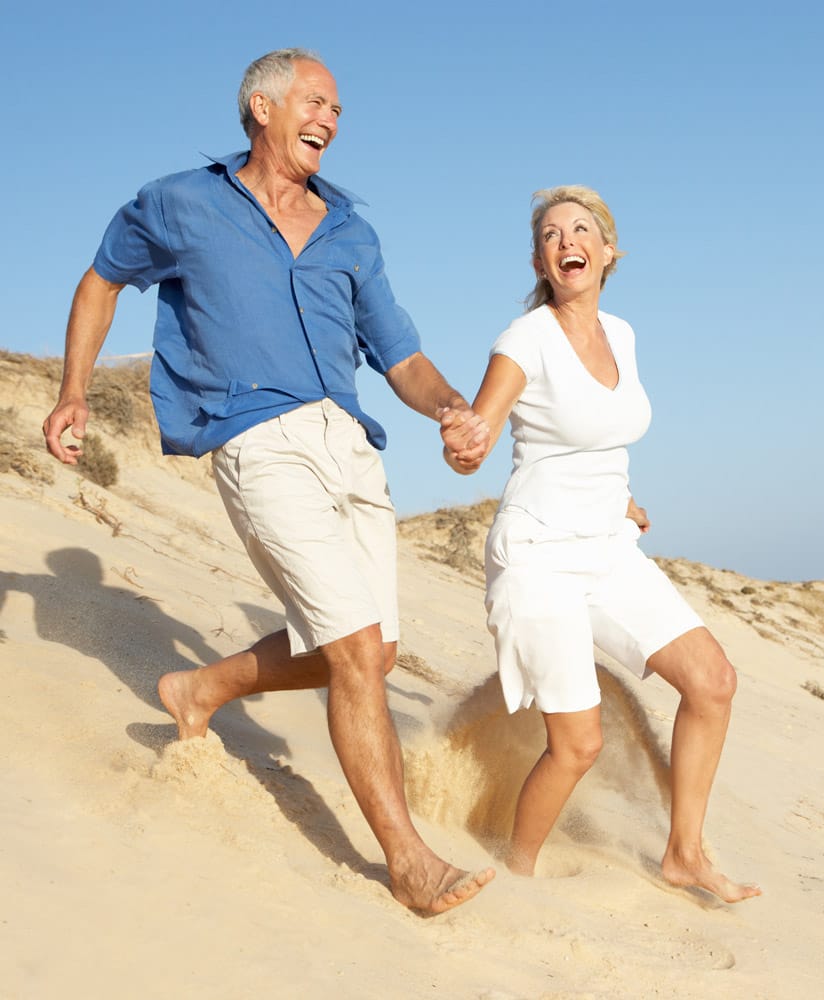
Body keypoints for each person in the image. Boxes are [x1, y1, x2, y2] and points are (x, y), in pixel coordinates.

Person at [43, 48, 493, 915]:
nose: (331, 119)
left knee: (371, 652)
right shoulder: (182, 202)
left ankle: (199, 688)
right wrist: (73, 391)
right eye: (316, 101)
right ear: (262, 105)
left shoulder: (351, 232)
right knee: (355, 651)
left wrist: (451, 408)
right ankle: (408, 861)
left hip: (349, 446)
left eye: (338, 110)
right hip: (257, 438)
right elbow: (101, 281)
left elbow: (401, 356)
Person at [444, 185, 760, 903]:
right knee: (578, 745)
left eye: (581, 230)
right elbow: (481, 433)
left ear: (608, 251)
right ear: (540, 262)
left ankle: (684, 854)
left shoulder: (622, 334)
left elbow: (598, 438)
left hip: (607, 546)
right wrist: (465, 444)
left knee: (712, 682)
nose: (567, 242)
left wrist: (619, 499)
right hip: (539, 554)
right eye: (551, 235)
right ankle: (518, 875)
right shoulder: (525, 340)